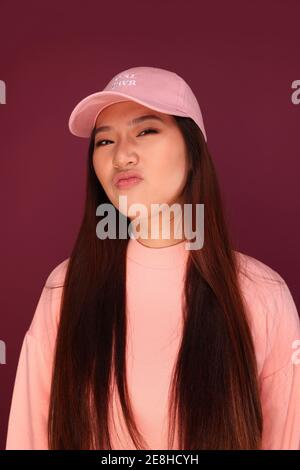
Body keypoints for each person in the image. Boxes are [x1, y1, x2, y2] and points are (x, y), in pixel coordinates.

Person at [5, 66, 300, 450]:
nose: (122, 155)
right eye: (104, 141)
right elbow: (28, 437)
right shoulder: (65, 288)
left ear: (193, 150)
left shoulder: (261, 292)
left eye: (146, 130)